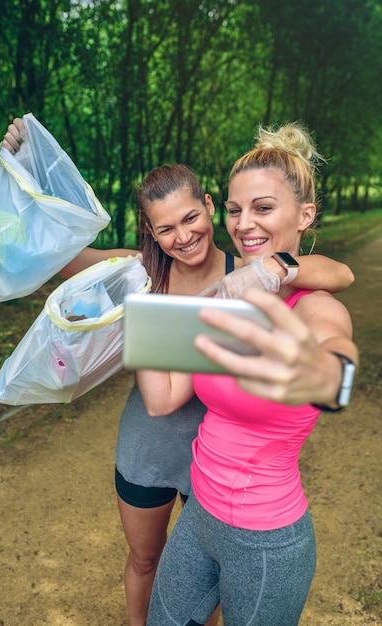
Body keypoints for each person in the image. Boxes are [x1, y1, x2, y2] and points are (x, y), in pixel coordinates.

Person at [1, 120, 354, 626]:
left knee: (199, 588)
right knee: (148, 560)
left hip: (207, 462)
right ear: (150, 231)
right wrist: (30, 169)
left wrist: (284, 279)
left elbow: (336, 275)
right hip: (151, 445)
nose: (182, 236)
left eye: (192, 218)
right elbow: (65, 259)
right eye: (165, 228)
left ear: (209, 207)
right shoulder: (141, 271)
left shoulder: (245, 274)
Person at [135, 122, 359, 626]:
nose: (243, 223)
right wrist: (138, 320)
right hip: (197, 521)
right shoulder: (231, 301)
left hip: (267, 540)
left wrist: (327, 377)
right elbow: (162, 397)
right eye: (236, 210)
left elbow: (334, 356)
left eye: (262, 208)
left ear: (305, 215)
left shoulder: (312, 306)